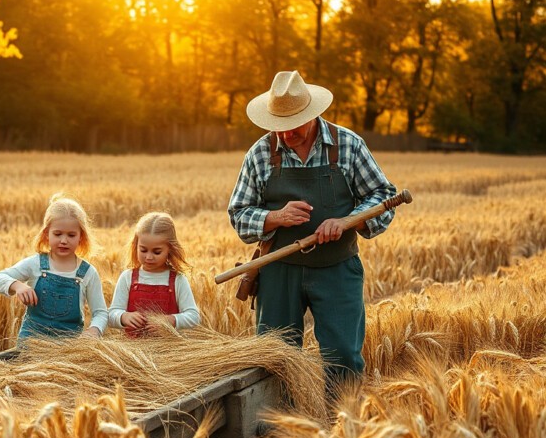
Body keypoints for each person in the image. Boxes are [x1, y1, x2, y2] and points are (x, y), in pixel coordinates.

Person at [228, 70, 397, 392]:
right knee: (274, 357)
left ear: (313, 115)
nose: (286, 134)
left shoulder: (348, 145)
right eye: (279, 126)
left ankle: (340, 428)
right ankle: (277, 432)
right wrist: (275, 217)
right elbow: (238, 213)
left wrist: (350, 220)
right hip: (278, 268)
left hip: (337, 268)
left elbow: (383, 196)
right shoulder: (260, 153)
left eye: (295, 124)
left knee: (344, 356)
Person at [0, 193, 108, 344]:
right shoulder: (36, 264)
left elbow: (100, 312)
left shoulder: (88, 273)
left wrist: (94, 330)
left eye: (71, 235)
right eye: (57, 234)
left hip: (67, 350)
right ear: (46, 234)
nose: (64, 240)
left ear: (81, 237)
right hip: (31, 345)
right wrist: (17, 285)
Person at [108, 212, 201, 337]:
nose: (149, 257)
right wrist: (123, 317)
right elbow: (111, 314)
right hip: (132, 352)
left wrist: (171, 320)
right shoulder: (127, 277)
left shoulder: (178, 280)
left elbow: (194, 317)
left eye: (157, 252)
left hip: (169, 351)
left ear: (170, 249)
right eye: (143, 250)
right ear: (135, 246)